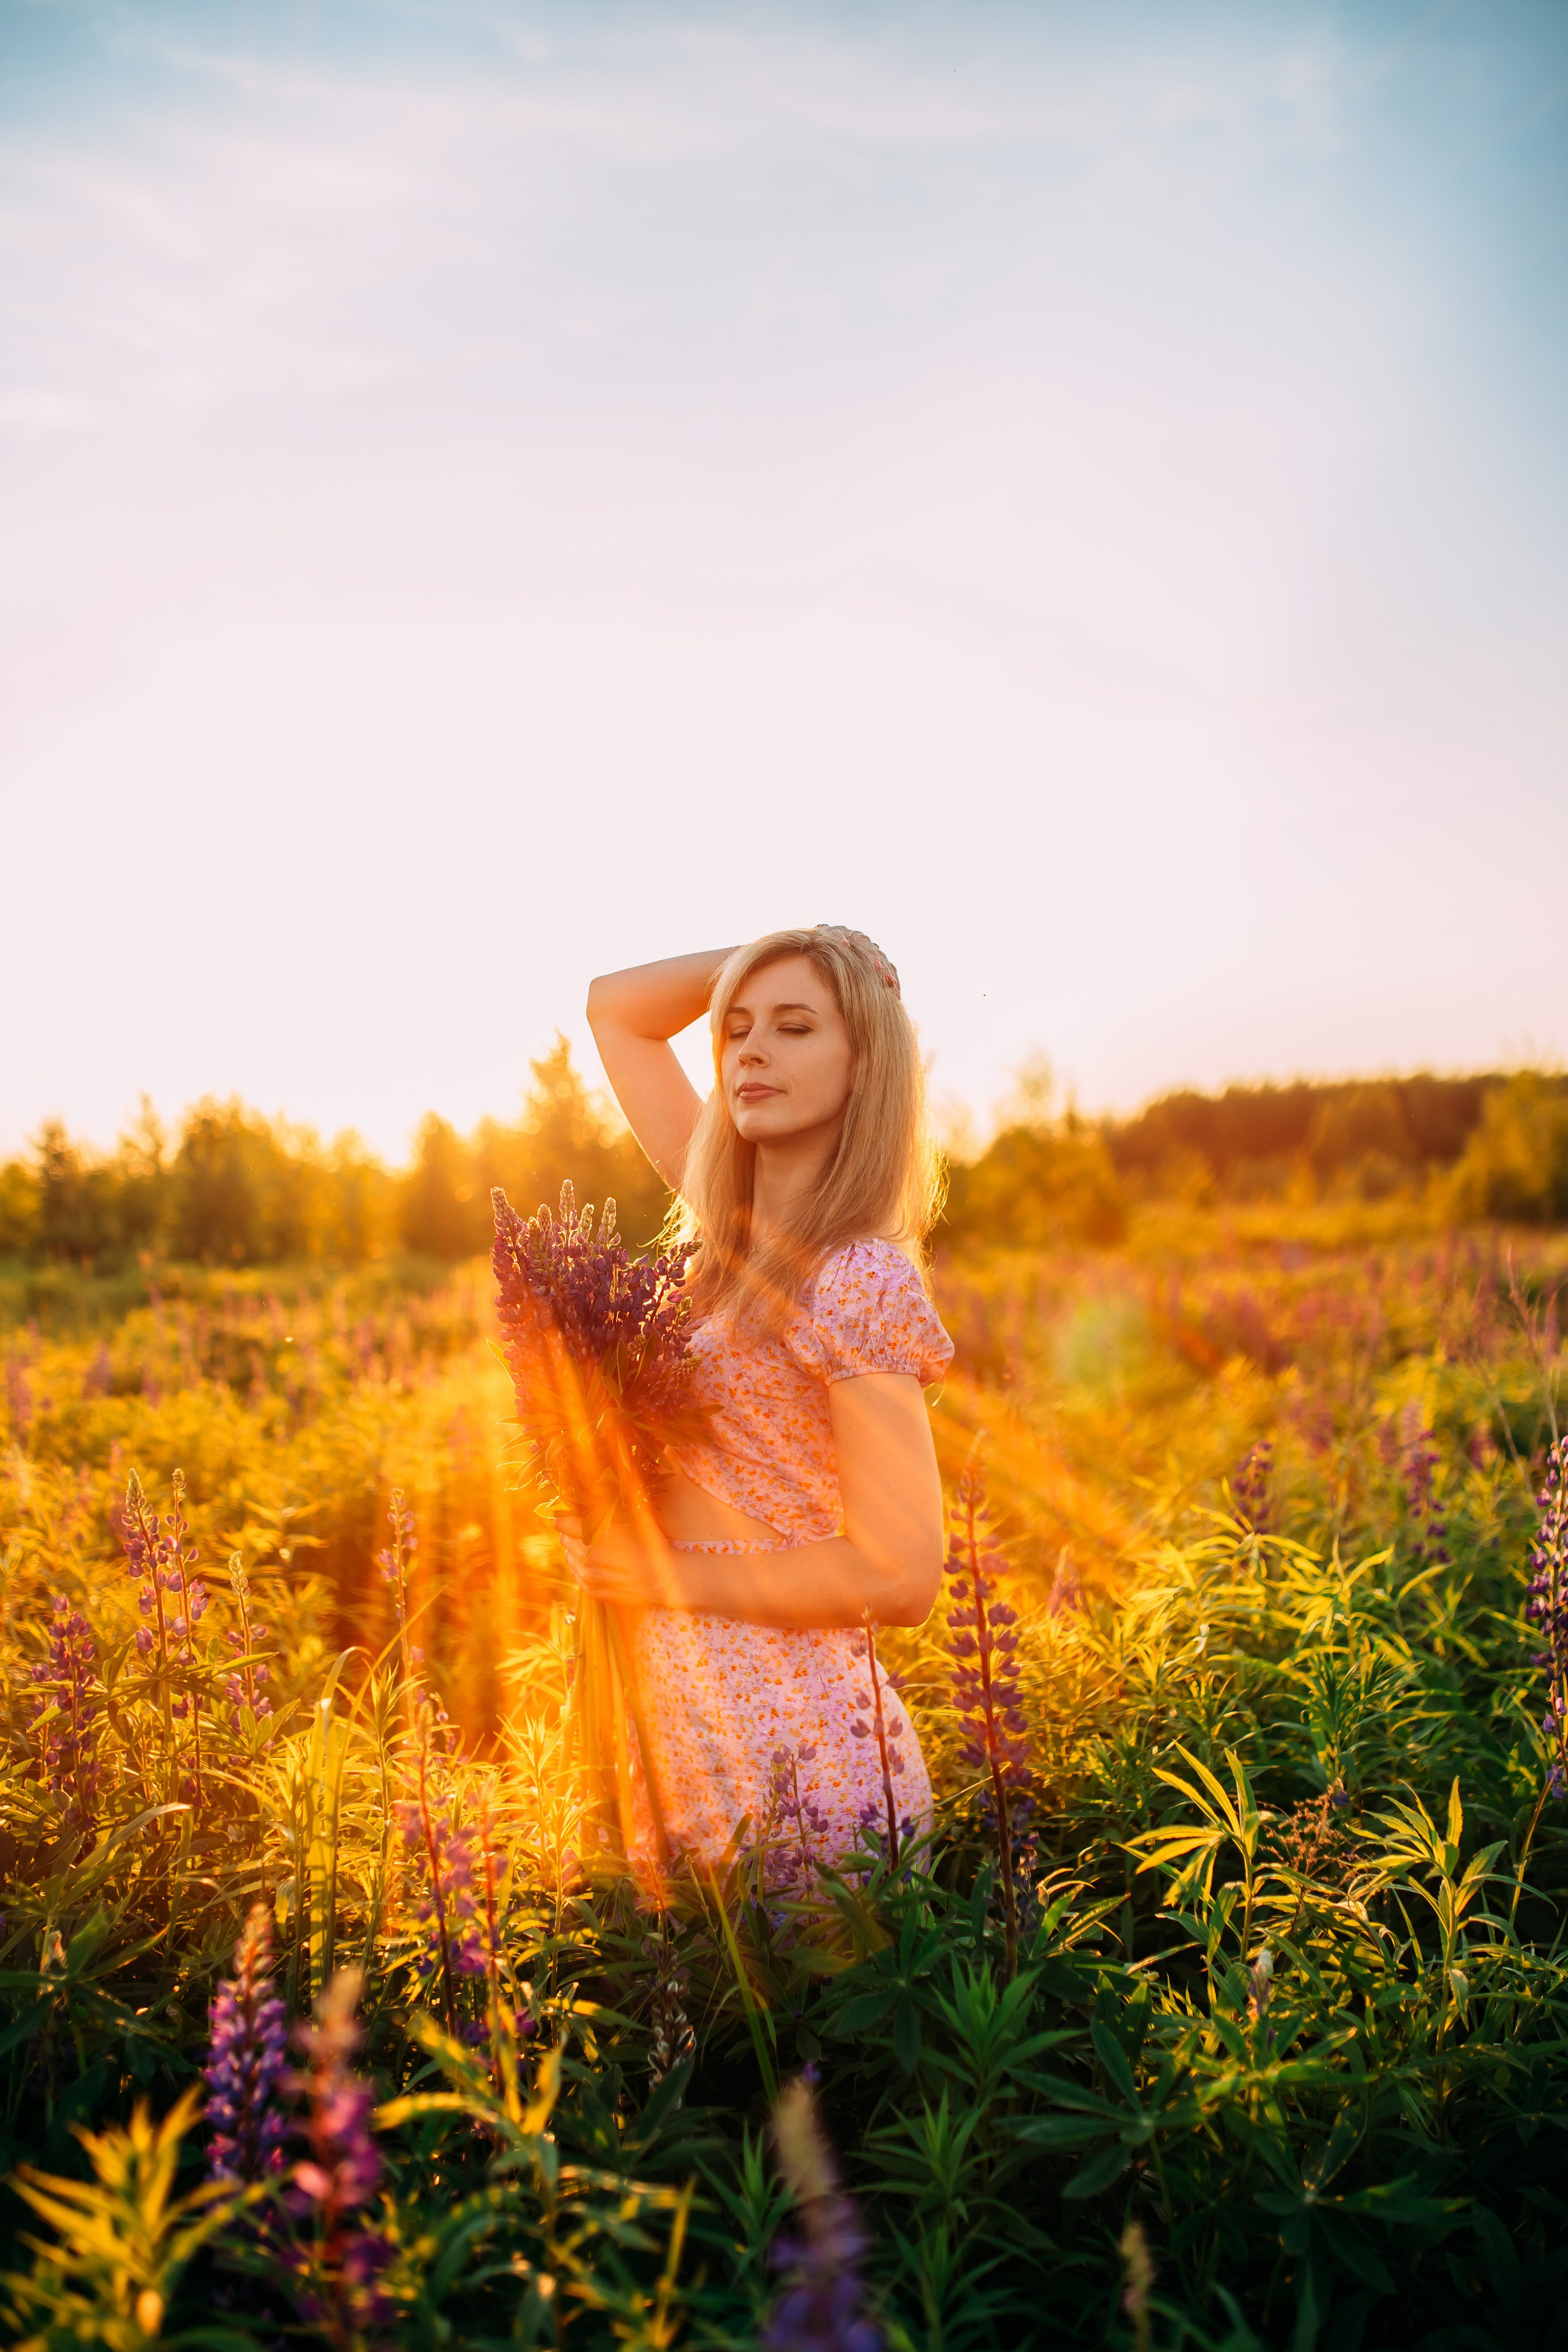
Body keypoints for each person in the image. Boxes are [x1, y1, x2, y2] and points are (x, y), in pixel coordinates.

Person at [568, 924, 954, 1874]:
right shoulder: (729, 1241)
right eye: (736, 1028)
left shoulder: (854, 1274)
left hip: (795, 1752)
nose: (750, 1049)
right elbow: (613, 1010)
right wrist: (785, 948)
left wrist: (666, 1578)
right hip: (672, 1722)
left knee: (788, 2023)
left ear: (868, 1062)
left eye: (795, 1026)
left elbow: (901, 1577)